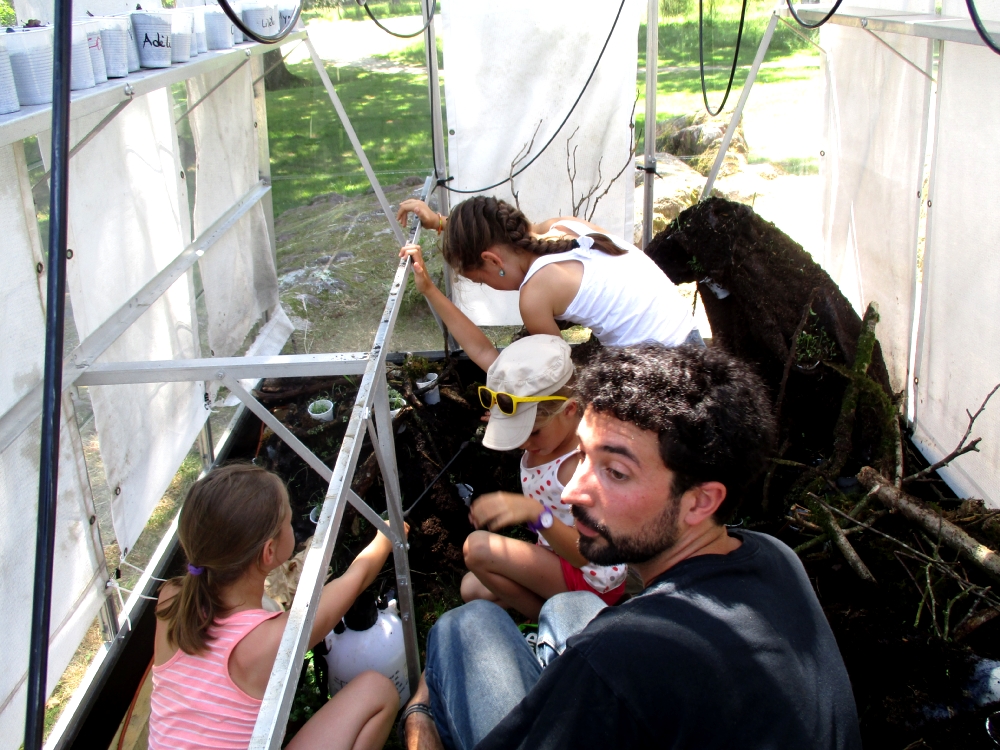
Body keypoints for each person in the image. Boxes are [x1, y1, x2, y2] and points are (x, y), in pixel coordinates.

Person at [399, 344, 862, 750]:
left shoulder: (617, 657)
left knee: (465, 625)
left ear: (700, 500)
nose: (572, 493)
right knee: (570, 609)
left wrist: (422, 712)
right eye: (584, 456)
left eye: (615, 472)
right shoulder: (774, 554)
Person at [149, 464, 401, 750]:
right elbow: (356, 579)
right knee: (378, 691)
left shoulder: (172, 598)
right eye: (288, 522)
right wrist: (386, 537)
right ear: (269, 552)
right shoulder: (271, 642)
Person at [395, 196, 699, 363]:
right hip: (690, 338)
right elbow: (497, 231)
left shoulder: (535, 294)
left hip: (662, 370)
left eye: (481, 281)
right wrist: (441, 223)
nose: (488, 287)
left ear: (491, 261)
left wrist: (430, 290)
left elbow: (558, 376)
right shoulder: (562, 226)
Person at [462, 335, 627, 619]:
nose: (523, 443)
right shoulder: (553, 436)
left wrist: (536, 514)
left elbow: (585, 554)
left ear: (570, 409)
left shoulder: (579, 466)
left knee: (477, 549)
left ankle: (562, 623)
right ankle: (556, 608)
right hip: (555, 554)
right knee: (471, 589)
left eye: (532, 431)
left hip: (590, 575)